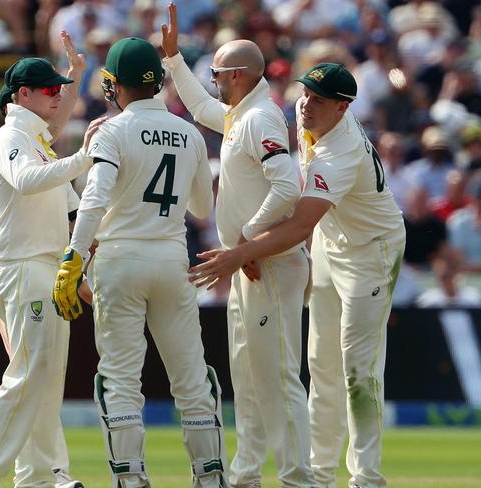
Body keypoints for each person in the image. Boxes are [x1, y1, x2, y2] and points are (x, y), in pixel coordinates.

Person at [189, 63, 406, 488]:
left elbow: (298, 225)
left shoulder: (339, 153)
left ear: (343, 109)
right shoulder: (316, 124)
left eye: (319, 101)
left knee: (359, 370)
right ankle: (321, 473)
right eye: (305, 95)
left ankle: (367, 478)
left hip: (373, 251)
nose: (305, 106)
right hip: (331, 243)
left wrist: (241, 252)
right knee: (321, 363)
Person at [52, 37, 229, 488]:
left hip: (119, 260)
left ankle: (130, 479)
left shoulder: (111, 131)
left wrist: (73, 256)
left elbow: (94, 199)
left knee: (119, 377)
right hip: (172, 259)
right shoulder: (188, 131)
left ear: (114, 85)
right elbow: (203, 211)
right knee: (191, 376)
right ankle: (210, 478)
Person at [162, 4, 317, 487]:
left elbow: (287, 189)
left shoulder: (261, 120)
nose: (212, 81)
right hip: (248, 264)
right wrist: (173, 61)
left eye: (216, 74)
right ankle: (247, 475)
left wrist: (247, 240)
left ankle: (297, 478)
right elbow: (202, 108)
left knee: (277, 376)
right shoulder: (239, 115)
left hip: (267, 263)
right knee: (248, 378)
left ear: (237, 76)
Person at [0, 49, 105, 487]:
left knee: (43, 379)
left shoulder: (39, 143)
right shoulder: (10, 138)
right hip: (20, 268)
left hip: (45, 269)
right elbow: (25, 180)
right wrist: (83, 158)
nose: (58, 95)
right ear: (23, 95)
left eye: (60, 88)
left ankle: (40, 478)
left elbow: (70, 213)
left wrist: (82, 266)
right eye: (49, 89)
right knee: (26, 377)